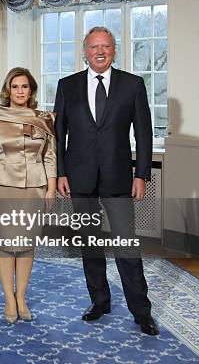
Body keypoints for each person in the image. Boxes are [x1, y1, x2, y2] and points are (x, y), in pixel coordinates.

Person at [53, 27, 159, 335]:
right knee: (90, 244)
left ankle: (141, 312)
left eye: (106, 46)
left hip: (119, 179)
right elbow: (59, 136)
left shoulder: (133, 85)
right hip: (79, 178)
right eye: (94, 47)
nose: (100, 51)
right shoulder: (67, 86)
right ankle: (99, 301)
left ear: (114, 50)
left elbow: (143, 133)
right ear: (85, 51)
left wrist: (141, 175)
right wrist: (61, 172)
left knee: (126, 245)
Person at [0, 67, 56, 324]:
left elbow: (49, 155)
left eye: (25, 87)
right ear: (8, 90)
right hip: (1, 185)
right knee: (4, 244)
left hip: (35, 187)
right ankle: (8, 299)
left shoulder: (44, 118)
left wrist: (52, 187)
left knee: (26, 245)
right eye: (15, 87)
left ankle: (21, 296)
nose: (20, 91)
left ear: (31, 90)